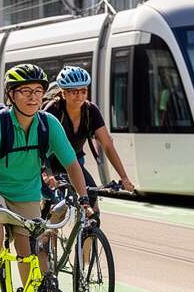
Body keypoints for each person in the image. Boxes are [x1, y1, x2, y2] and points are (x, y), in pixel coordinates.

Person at [0, 64, 95, 292]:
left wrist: (84, 199)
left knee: (29, 253)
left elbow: (72, 164)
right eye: (25, 91)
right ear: (11, 95)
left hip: (26, 193)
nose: (33, 97)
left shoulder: (48, 124)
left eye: (38, 91)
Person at [42, 65, 136, 196]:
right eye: (74, 92)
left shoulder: (91, 111)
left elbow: (107, 145)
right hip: (49, 162)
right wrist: (47, 173)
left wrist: (124, 177)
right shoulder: (53, 109)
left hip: (74, 163)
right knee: (51, 199)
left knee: (91, 198)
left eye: (83, 91)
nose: (80, 96)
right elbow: (40, 144)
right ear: (63, 93)